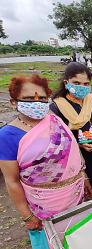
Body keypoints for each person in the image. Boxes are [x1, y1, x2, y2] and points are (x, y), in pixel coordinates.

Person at [0, 75, 85, 231]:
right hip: (44, 204)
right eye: (29, 98)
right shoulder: (7, 136)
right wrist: (27, 215)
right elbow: (12, 180)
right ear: (14, 102)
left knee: (79, 233)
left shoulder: (55, 121)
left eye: (42, 98)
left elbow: (73, 154)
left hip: (75, 194)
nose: (37, 102)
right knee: (54, 243)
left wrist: (84, 178)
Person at [50, 62, 92, 199]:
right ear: (66, 82)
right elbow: (55, 141)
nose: (82, 87)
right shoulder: (57, 108)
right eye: (76, 83)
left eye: (86, 84)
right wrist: (79, 144)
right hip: (79, 164)